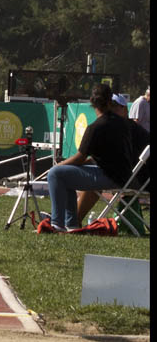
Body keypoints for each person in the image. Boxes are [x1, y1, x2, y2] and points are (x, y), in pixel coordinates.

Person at [46, 83, 134, 232]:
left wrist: (58, 166)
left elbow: (80, 158)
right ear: (109, 102)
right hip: (124, 175)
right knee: (64, 174)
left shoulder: (96, 127)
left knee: (56, 174)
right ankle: (71, 224)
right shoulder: (122, 123)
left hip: (111, 176)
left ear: (92, 103)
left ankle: (57, 224)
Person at [76, 92, 150, 224]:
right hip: (135, 178)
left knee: (95, 179)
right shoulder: (122, 127)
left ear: (125, 110)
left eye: (116, 106)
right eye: (110, 106)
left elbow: (110, 160)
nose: (112, 110)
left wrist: (76, 163)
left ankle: (73, 220)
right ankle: (70, 218)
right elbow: (105, 158)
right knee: (94, 175)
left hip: (139, 181)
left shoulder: (125, 129)